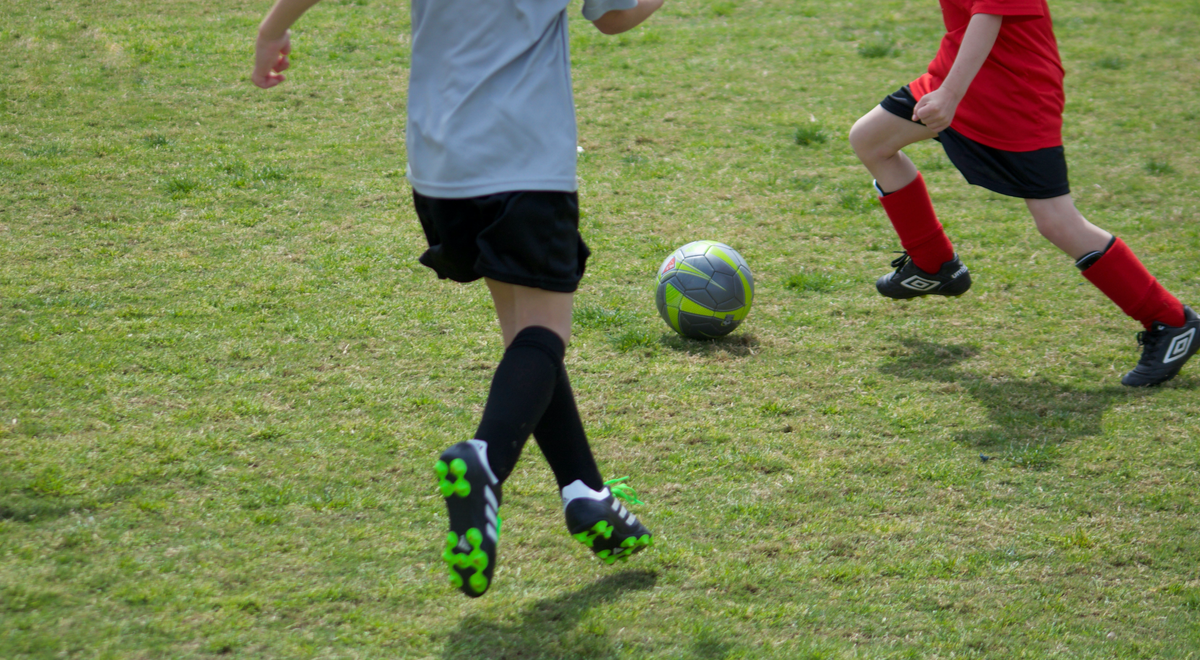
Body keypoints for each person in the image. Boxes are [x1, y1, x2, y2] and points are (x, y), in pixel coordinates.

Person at [252, 0, 662, 598]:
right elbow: (614, 16)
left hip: (440, 163)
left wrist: (273, 28)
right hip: (525, 158)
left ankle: (587, 493)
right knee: (545, 334)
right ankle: (484, 458)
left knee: (523, 336)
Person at [847, 0, 1197, 386]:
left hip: (1014, 93)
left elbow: (989, 14)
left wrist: (949, 95)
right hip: (960, 78)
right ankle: (934, 265)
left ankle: (1171, 320)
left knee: (1057, 222)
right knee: (871, 139)